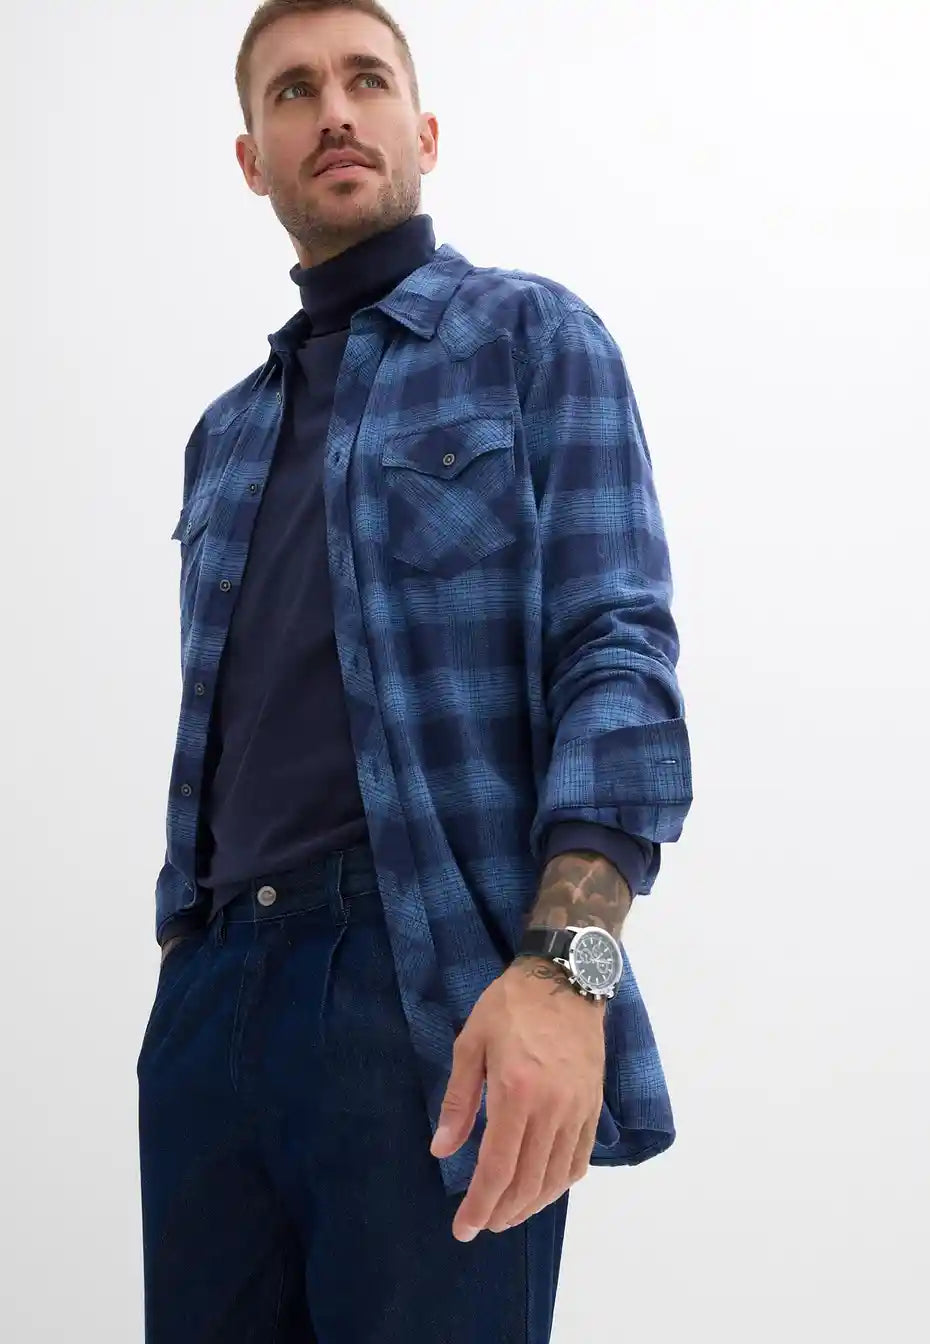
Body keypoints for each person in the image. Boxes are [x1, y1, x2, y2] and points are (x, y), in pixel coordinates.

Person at [136, 1, 693, 1340]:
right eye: (293, 91)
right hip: (212, 1008)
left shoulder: (531, 339)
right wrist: (181, 973)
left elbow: (618, 660)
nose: (334, 111)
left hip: (422, 994)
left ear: (423, 131)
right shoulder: (225, 436)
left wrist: (567, 975)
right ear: (251, 158)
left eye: (365, 79)